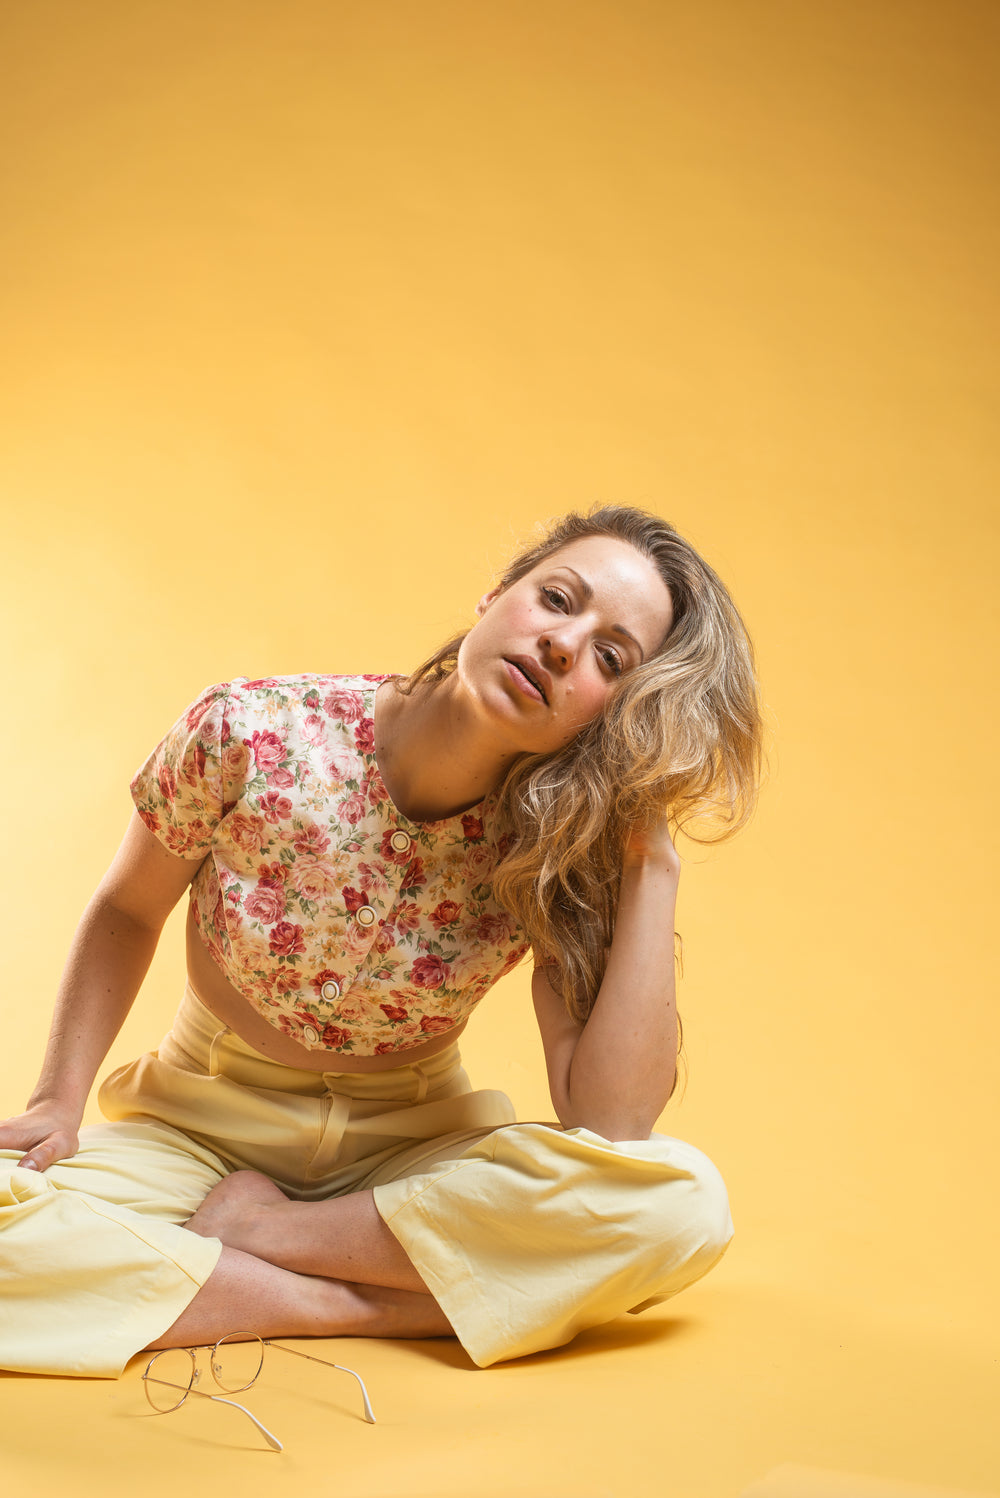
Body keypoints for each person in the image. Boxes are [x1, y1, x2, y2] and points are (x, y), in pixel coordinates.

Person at [0, 505, 762, 1377]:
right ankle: (356, 1300)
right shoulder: (252, 729)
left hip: (404, 1165)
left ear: (615, 716)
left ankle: (267, 1253)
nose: (563, 646)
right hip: (193, 1136)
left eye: (610, 658)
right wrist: (59, 1099)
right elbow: (128, 910)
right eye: (557, 600)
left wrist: (649, 855)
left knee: (682, 1207)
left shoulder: (560, 847)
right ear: (496, 594)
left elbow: (613, 1122)